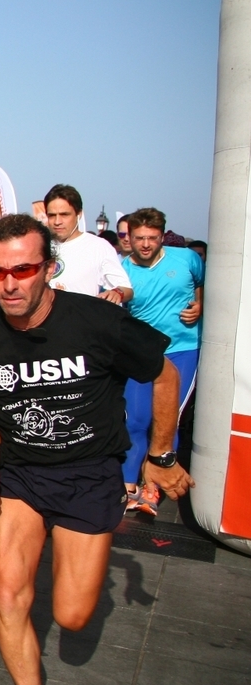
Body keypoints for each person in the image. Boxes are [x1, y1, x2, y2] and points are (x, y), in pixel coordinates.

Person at [0, 214, 191, 685]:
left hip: (90, 475)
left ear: (48, 268)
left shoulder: (95, 321)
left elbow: (163, 376)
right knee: (8, 593)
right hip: (20, 475)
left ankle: (76, 573)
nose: (11, 282)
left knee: (72, 616)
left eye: (24, 268)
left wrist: (160, 457)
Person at [119, 208, 202, 517]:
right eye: (139, 237)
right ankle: (128, 486)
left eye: (152, 238)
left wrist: (200, 305)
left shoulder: (187, 259)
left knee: (167, 420)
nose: (145, 244)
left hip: (182, 349)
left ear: (162, 235)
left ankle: (155, 484)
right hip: (142, 354)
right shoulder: (122, 268)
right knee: (136, 420)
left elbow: (204, 285)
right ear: (129, 236)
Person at [43, 185, 132, 303]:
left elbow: (126, 289)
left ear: (79, 214)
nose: (57, 222)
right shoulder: (40, 245)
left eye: (64, 215)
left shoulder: (98, 246)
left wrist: (116, 293)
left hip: (80, 319)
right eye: (52, 215)